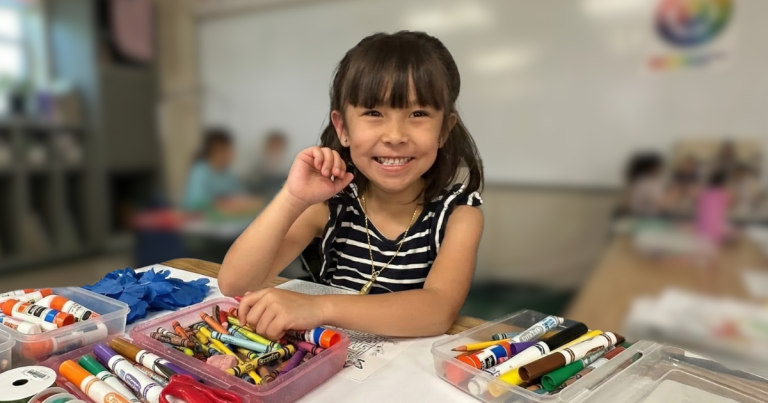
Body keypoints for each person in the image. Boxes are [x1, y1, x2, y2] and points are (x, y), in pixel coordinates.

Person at [218, 31, 485, 339]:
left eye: (418, 113)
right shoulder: (332, 205)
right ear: (342, 128)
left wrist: (319, 308)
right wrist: (292, 197)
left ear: (443, 130)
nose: (395, 135)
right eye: (374, 113)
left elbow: (437, 311)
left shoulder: (459, 215)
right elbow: (235, 284)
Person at [182, 128, 263, 214]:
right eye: (229, 149)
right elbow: (195, 202)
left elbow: (243, 197)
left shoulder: (228, 175)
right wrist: (226, 204)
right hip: (197, 221)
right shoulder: (200, 171)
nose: (233, 153)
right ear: (217, 150)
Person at [247, 130, 290, 199]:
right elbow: (251, 193)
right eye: (273, 147)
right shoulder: (257, 171)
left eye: (278, 147)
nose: (275, 151)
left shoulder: (289, 172)